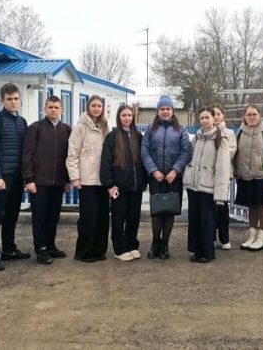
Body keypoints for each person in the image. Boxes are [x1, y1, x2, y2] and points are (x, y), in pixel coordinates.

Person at [0, 83, 29, 271]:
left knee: (12, 214)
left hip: (17, 177)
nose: (13, 102)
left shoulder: (22, 122)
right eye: (9, 99)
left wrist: (25, 175)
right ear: (2, 100)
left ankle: (9, 249)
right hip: (1, 178)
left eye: (16, 99)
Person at [141, 95, 192, 260]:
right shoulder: (150, 129)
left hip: (173, 178)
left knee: (169, 212)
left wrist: (175, 170)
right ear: (158, 111)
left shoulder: (181, 130)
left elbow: (186, 152)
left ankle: (165, 244)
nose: (165, 112)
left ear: (173, 111)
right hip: (155, 177)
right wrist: (153, 171)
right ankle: (155, 242)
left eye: (168, 109)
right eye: (162, 109)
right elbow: (144, 152)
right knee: (156, 212)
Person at [22, 95, 72, 265]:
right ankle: (41, 248)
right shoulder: (35, 128)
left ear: (61, 110)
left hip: (58, 182)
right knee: (40, 216)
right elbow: (27, 155)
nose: (53, 110)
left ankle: (51, 245)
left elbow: (69, 157)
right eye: (50, 107)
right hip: (39, 182)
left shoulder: (66, 130)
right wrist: (29, 179)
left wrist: (67, 180)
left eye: (56, 107)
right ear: (44, 109)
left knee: (53, 216)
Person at [100, 105, 148, 262]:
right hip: (118, 187)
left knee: (133, 218)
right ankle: (119, 248)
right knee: (118, 218)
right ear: (119, 117)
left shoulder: (138, 136)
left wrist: (144, 181)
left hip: (136, 186)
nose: (127, 118)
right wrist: (109, 183)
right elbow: (105, 162)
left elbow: (143, 160)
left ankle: (132, 245)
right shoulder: (112, 137)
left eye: (129, 115)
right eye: (124, 115)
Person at [184, 107, 231, 263]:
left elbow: (223, 169)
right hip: (194, 186)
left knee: (207, 221)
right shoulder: (197, 138)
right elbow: (189, 157)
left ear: (213, 119)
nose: (204, 121)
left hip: (208, 187)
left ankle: (208, 252)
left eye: (207, 117)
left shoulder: (220, 139)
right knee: (195, 220)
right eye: (202, 118)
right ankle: (197, 250)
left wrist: (220, 194)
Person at [67, 95, 109, 262]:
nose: (96, 108)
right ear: (88, 107)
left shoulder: (105, 126)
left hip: (103, 180)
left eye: (99, 106)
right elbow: (72, 154)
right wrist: (75, 177)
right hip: (86, 180)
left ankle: (99, 250)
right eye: (94, 105)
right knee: (88, 218)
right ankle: (83, 252)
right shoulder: (80, 127)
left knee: (102, 217)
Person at [234, 104, 263, 251]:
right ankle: (252, 235)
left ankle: (262, 237)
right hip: (245, 177)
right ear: (244, 116)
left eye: (254, 114)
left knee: (262, 205)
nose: (252, 117)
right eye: (249, 114)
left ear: (259, 116)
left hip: (261, 176)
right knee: (251, 206)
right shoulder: (240, 133)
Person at [212, 103, 237, 250]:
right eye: (213, 114)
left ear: (223, 115)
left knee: (222, 207)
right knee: (210, 208)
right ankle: (211, 237)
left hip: (224, 174)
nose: (215, 117)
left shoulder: (229, 133)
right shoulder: (206, 132)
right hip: (209, 175)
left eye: (218, 114)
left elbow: (231, 152)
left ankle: (224, 238)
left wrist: (217, 155)